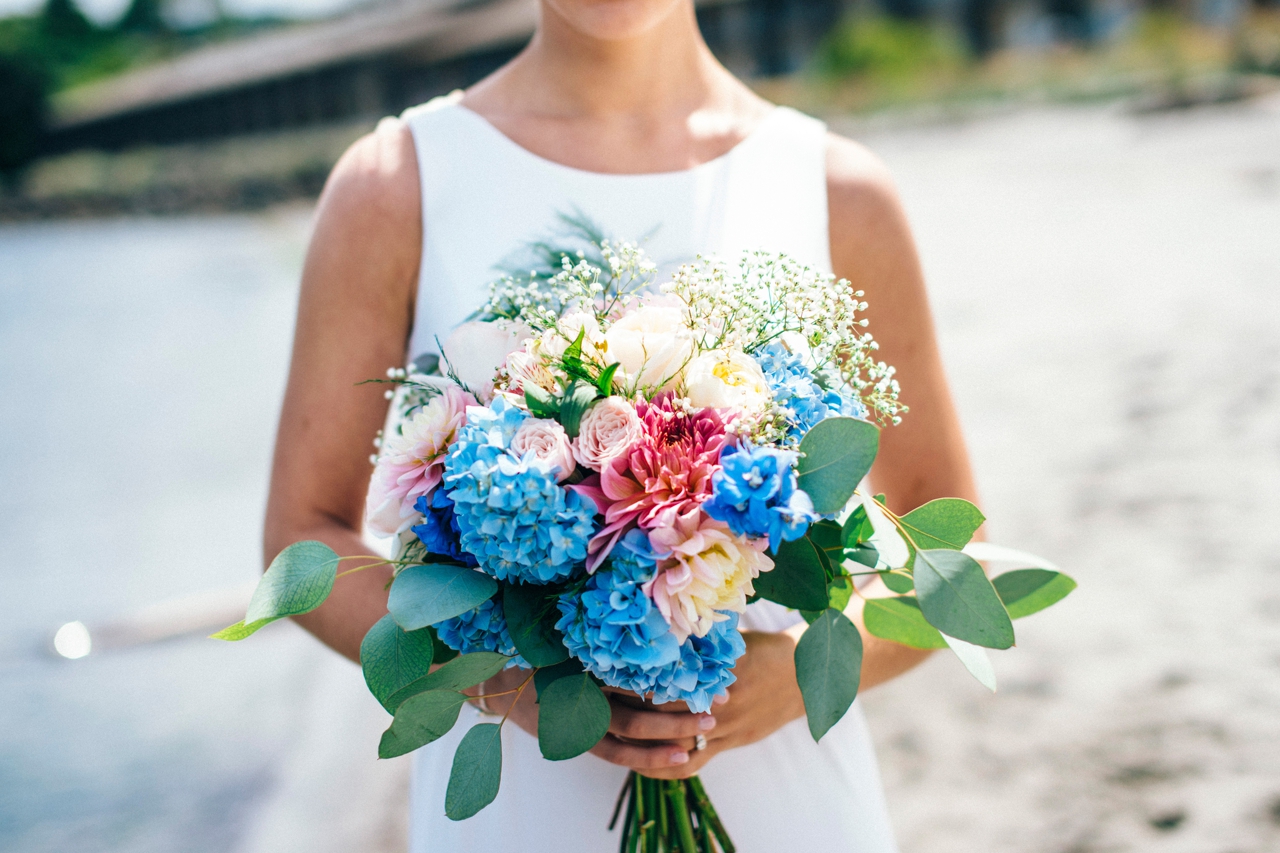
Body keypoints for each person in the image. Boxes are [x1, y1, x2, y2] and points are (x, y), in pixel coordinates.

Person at [262, 0, 979, 846]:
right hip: (522, 814)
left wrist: (800, 673)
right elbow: (300, 535)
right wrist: (502, 684)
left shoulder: (836, 188)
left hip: (789, 803)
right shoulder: (395, 182)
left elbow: (952, 543)